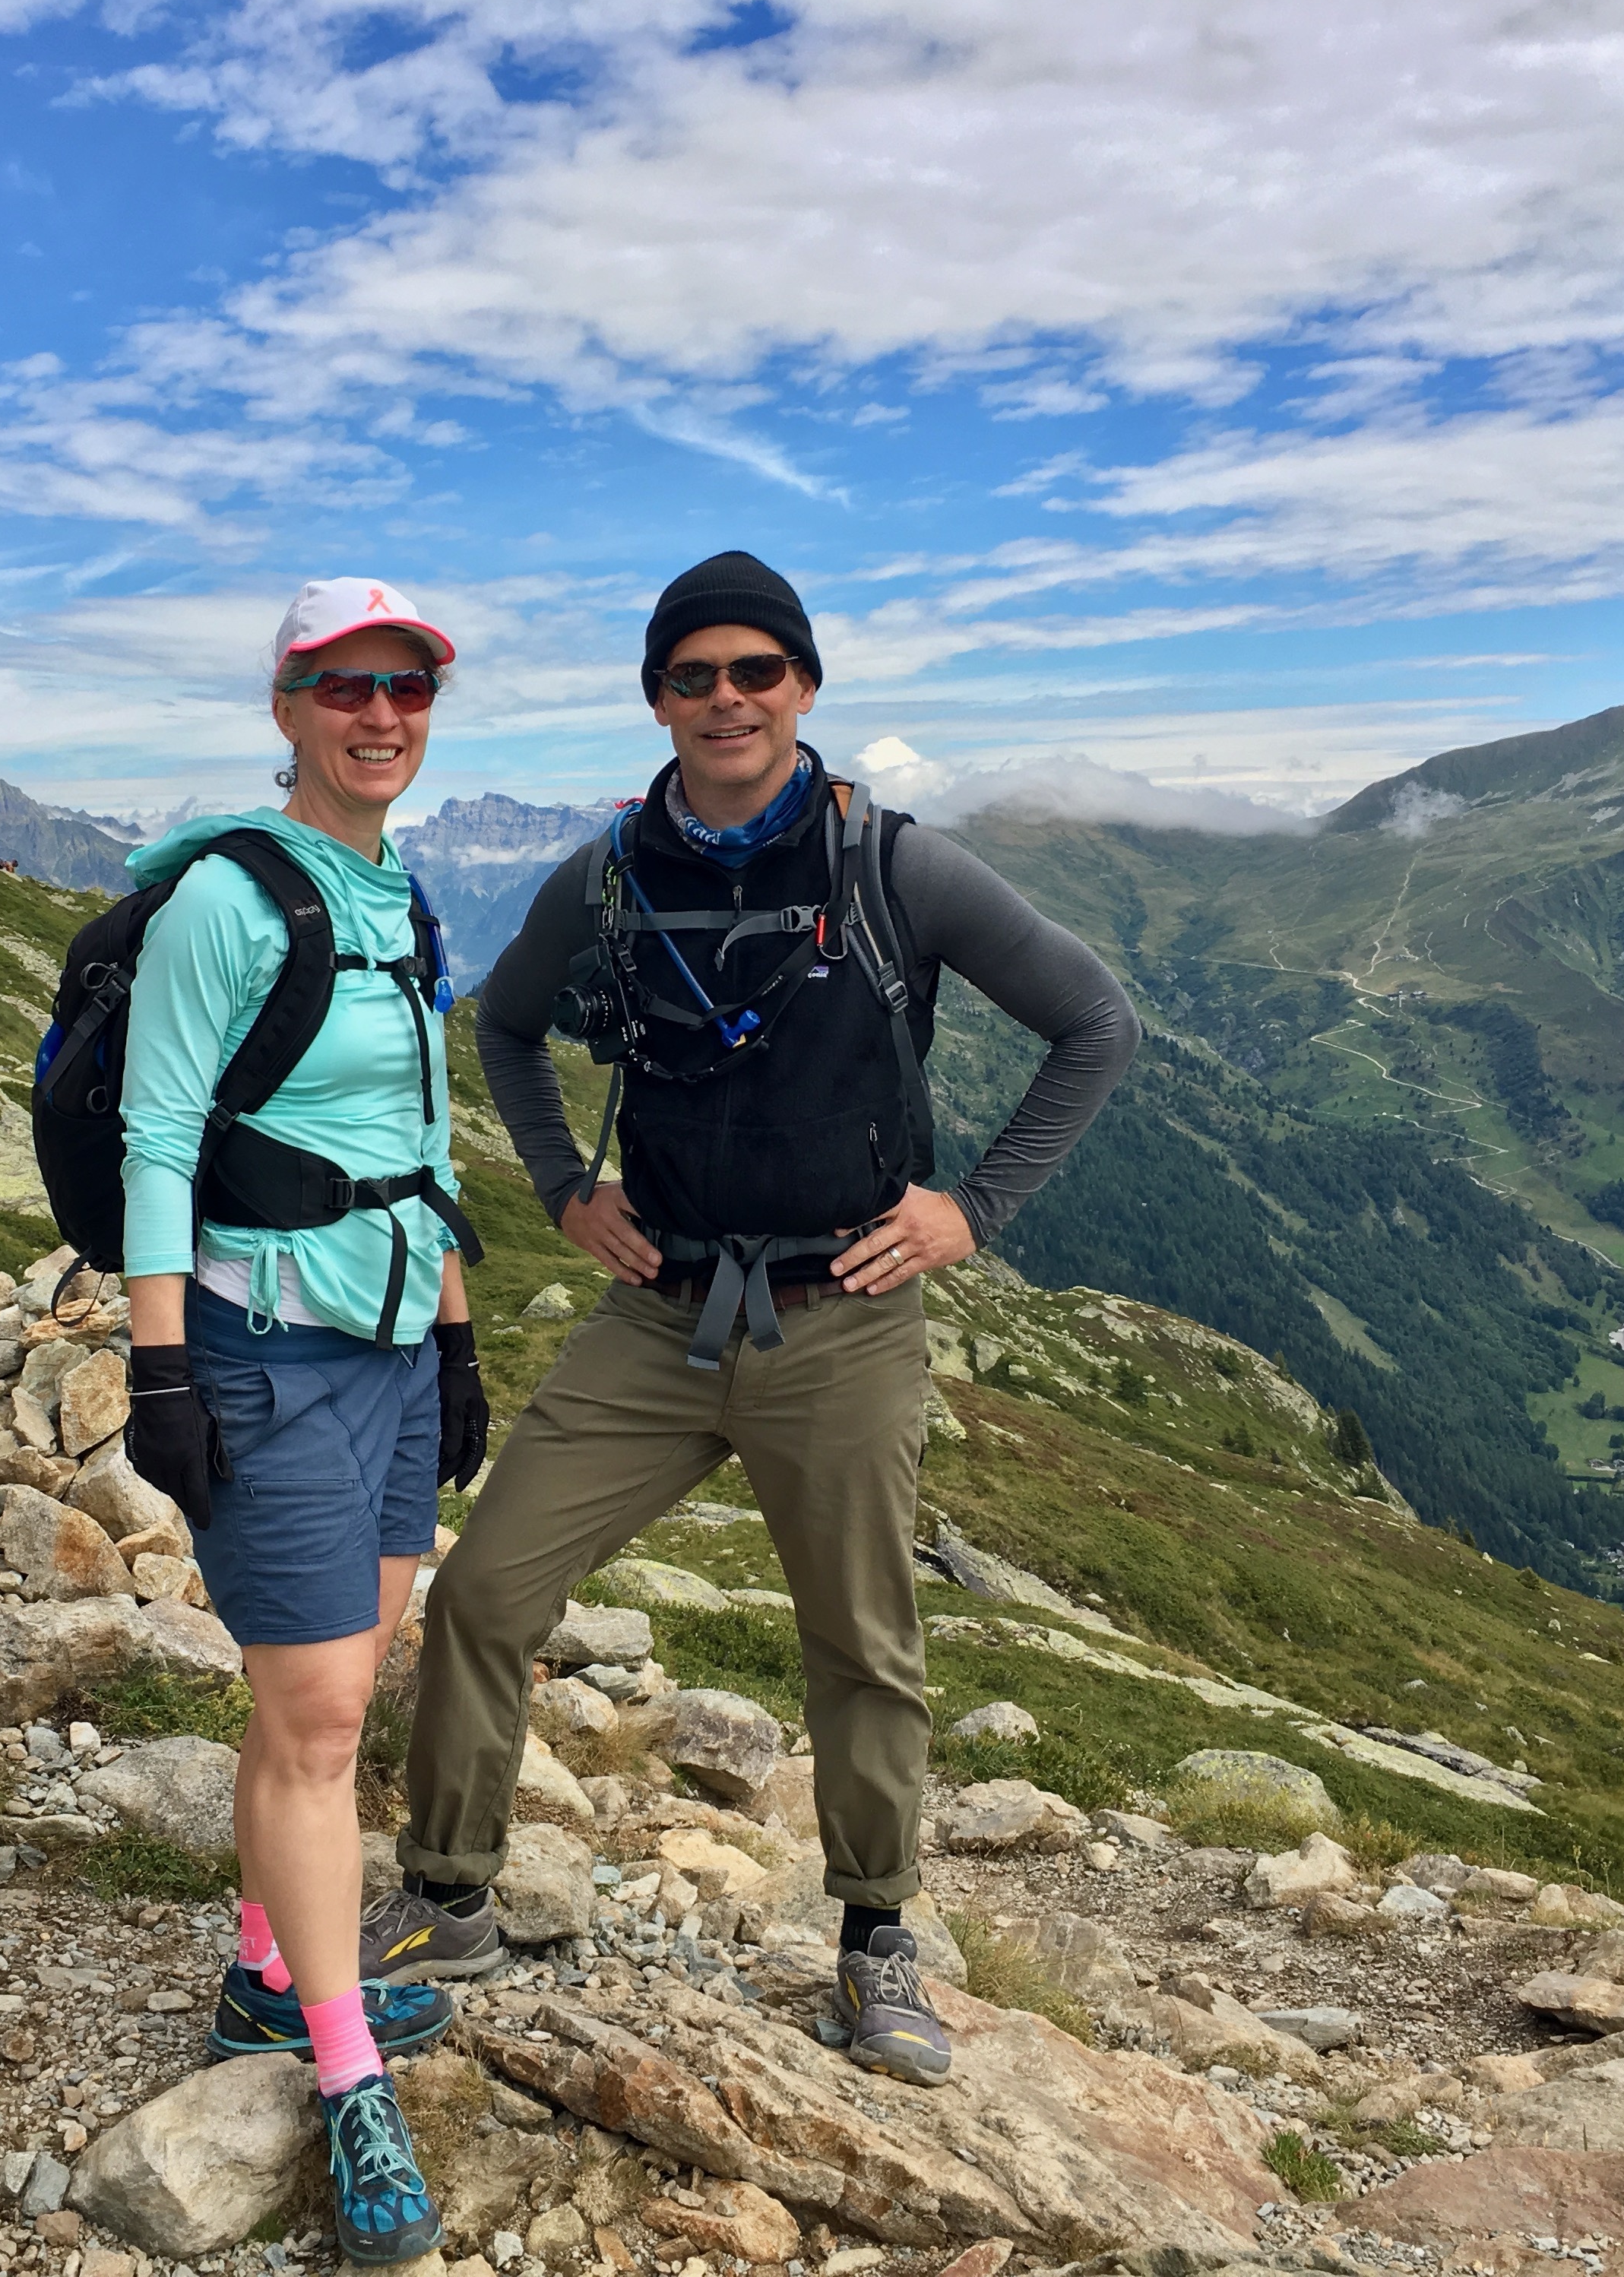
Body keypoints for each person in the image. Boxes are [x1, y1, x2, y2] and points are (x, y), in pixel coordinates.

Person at [381, 549, 1139, 2085]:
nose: (726, 699)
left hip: (843, 1317)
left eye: (756, 671)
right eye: (693, 675)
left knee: (861, 1643)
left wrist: (970, 1211)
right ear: (657, 697)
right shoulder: (605, 876)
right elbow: (509, 1028)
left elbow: (1095, 1024)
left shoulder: (895, 868)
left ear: (802, 686)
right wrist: (558, 1188)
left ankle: (875, 1944)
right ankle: (446, 1895)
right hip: (658, 1312)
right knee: (483, 1594)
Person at [116, 577, 492, 2266]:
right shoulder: (225, 896)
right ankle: (343, 2080)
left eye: (406, 686)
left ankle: (272, 1973)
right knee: (327, 1715)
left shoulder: (397, 889)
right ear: (287, 706)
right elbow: (158, 1139)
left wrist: (464, 1344)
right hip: (267, 1344)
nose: (381, 715)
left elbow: (423, 1138)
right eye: (346, 687)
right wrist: (161, 1364)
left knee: (343, 1683)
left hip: (402, 1338)